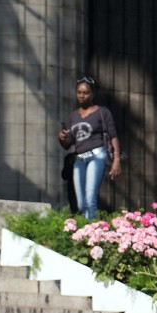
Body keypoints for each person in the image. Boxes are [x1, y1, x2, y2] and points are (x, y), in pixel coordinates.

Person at [56, 76, 121, 220]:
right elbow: (68, 144)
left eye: (85, 92)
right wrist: (60, 137)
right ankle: (87, 227)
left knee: (90, 198)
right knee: (80, 204)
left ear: (92, 94)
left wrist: (116, 160)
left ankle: (89, 234)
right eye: (79, 92)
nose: (82, 95)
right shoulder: (73, 116)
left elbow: (113, 136)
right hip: (79, 159)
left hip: (97, 155)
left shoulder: (102, 112)